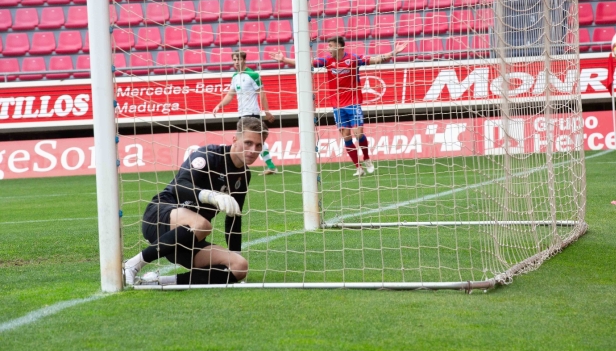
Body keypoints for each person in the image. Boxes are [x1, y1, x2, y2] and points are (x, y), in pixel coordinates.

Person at [122, 117, 268, 287]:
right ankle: (132, 265)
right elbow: (179, 185)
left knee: (239, 267)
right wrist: (210, 196)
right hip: (159, 217)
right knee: (203, 225)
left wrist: (235, 254)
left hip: (187, 238)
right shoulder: (209, 156)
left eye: (258, 145)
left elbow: (234, 218)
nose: (253, 150)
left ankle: (157, 281)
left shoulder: (244, 175)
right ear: (235, 139)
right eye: (248, 143)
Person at [269, 37, 409, 176]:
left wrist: (394, 52)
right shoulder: (327, 61)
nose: (328, 49)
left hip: (353, 102)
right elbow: (306, 64)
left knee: (358, 133)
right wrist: (284, 60)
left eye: (331, 46)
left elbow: (376, 59)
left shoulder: (353, 59)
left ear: (340, 47)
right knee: (346, 136)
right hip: (337, 105)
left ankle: (366, 159)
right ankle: (358, 167)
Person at [212, 50, 279, 175]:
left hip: (252, 113)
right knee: (248, 140)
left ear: (244, 60)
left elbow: (262, 93)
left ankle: (268, 166)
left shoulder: (253, 75)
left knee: (250, 140)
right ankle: (270, 166)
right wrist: (219, 105)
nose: (237, 62)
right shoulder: (235, 77)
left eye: (239, 59)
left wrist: (267, 111)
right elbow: (230, 95)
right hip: (242, 114)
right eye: (234, 60)